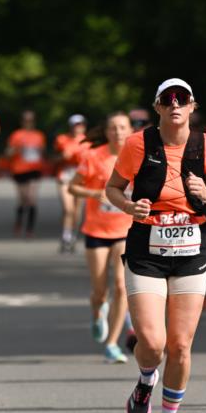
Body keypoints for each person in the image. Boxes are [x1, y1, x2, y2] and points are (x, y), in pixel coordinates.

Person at [106, 78, 206, 413]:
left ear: (192, 107)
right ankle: (146, 379)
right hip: (146, 251)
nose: (175, 105)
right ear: (158, 106)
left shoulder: (205, 146)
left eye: (183, 99)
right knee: (153, 342)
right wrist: (129, 206)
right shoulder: (137, 144)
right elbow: (112, 187)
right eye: (168, 99)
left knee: (179, 346)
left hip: (191, 252)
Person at [69, 112, 133, 363]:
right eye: (113, 128)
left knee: (121, 285)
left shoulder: (137, 157)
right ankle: (98, 313)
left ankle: (112, 343)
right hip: (96, 231)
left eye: (122, 127)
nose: (118, 132)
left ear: (130, 130)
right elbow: (72, 187)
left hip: (125, 230)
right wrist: (96, 193)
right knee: (99, 290)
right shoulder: (94, 156)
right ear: (106, 132)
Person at [5, 110, 46, 237]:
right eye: (26, 120)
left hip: (34, 170)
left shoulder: (39, 136)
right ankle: (19, 222)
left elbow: (42, 153)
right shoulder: (16, 135)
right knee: (23, 199)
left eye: (31, 120)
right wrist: (16, 149)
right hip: (20, 170)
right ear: (22, 122)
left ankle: (30, 229)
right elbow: (8, 153)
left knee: (32, 199)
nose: (28, 123)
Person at [54, 114, 87, 252]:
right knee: (68, 209)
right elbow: (53, 158)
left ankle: (73, 235)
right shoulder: (62, 139)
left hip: (81, 177)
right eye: (75, 125)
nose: (77, 128)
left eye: (80, 125)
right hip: (66, 176)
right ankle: (65, 235)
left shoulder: (88, 141)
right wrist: (62, 157)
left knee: (77, 210)